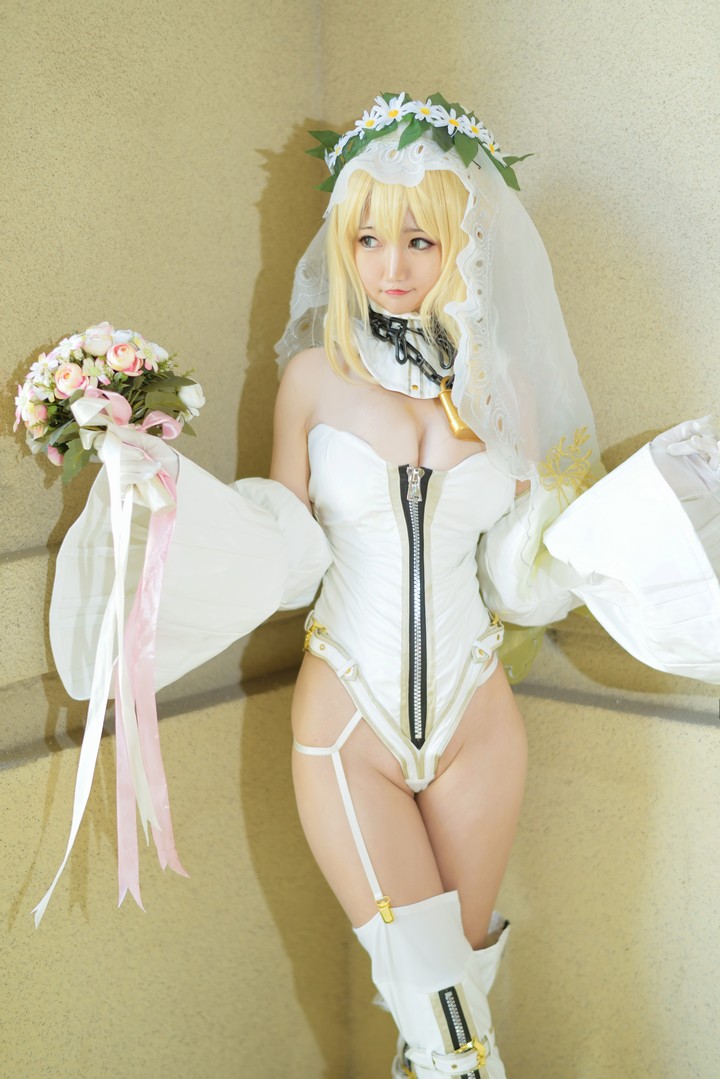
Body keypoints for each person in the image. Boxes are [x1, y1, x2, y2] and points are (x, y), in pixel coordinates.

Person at [48, 93, 720, 1078]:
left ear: (464, 245)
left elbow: (517, 573)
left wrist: (631, 518)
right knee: (447, 1017)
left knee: (447, 998)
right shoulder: (312, 381)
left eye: (419, 239)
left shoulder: (502, 389)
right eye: (368, 238)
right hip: (345, 724)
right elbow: (286, 547)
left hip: (479, 719)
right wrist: (149, 477)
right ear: (343, 244)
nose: (391, 266)